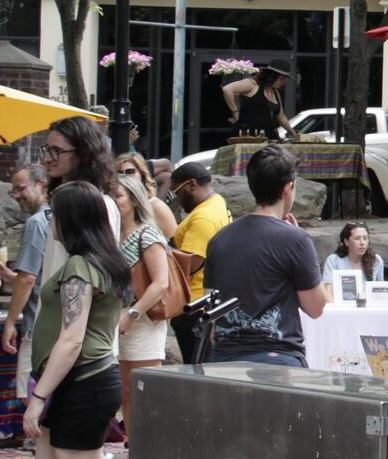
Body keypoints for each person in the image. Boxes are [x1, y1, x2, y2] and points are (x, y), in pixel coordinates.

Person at [24, 182, 129, 459]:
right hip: (82, 382)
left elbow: (71, 338)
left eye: (54, 212)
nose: (50, 219)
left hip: (81, 383)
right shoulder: (103, 262)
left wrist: (39, 396)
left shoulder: (80, 267)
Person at [203, 145, 326, 366]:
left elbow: (210, 308)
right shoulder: (296, 240)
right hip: (277, 358)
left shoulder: (218, 239)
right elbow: (316, 308)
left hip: (223, 359)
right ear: (287, 188)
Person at [0, 162, 50, 459]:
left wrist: (9, 321)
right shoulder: (56, 218)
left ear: (40, 184)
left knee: (30, 396)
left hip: (37, 323)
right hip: (58, 320)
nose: (16, 195)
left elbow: (29, 278)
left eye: (21, 188)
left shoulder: (35, 222)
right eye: (13, 189)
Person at [114, 172, 173, 418]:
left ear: (134, 200)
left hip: (142, 317)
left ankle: (149, 451)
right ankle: (132, 449)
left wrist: (132, 315)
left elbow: (160, 282)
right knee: (126, 391)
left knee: (145, 391)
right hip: (119, 316)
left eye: (117, 195)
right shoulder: (113, 235)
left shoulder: (147, 234)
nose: (113, 200)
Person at [168, 160, 231, 360]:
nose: (176, 199)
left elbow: (190, 264)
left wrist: (161, 251)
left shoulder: (203, 218)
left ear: (192, 185)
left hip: (195, 306)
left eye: (176, 192)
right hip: (204, 303)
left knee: (196, 369)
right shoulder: (217, 202)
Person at [223, 59, 293, 139]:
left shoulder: (275, 92)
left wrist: (293, 133)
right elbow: (227, 89)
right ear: (272, 76)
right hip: (249, 135)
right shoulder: (252, 84)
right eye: (281, 79)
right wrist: (235, 111)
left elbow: (281, 118)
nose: (283, 82)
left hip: (268, 135)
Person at [116, 151, 180, 237]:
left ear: (142, 174)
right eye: (119, 173)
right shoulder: (117, 203)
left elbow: (175, 242)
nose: (125, 176)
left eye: (130, 171)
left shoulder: (156, 205)